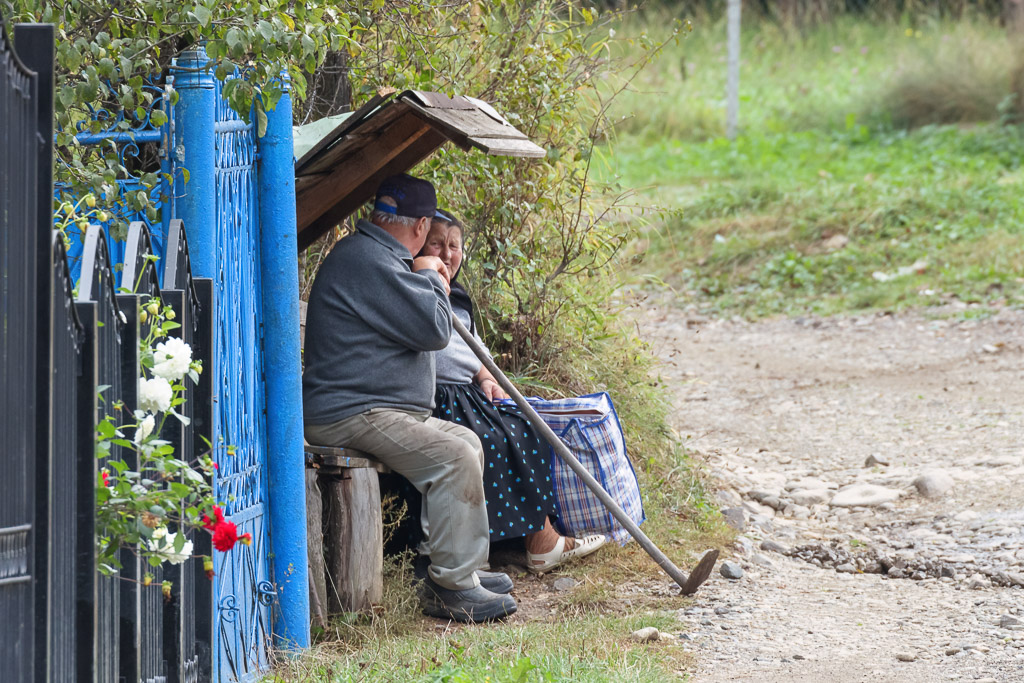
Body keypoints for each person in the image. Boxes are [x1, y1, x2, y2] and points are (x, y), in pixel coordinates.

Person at [302, 174, 517, 622]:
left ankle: (451, 567)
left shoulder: (380, 255)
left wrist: (420, 274)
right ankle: (451, 589)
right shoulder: (370, 260)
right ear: (421, 226)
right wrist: (433, 279)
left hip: (377, 408)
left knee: (468, 444)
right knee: (454, 456)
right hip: (349, 411)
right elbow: (435, 329)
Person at [417, 210, 606, 572]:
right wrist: (479, 369)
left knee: (525, 425)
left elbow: (473, 348)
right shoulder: (421, 289)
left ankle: (540, 540)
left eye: (454, 245)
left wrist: (488, 377)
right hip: (438, 398)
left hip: (465, 393)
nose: (446, 254)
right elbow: (446, 356)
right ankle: (498, 548)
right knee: (489, 437)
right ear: (419, 244)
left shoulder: (456, 296)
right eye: (436, 243)